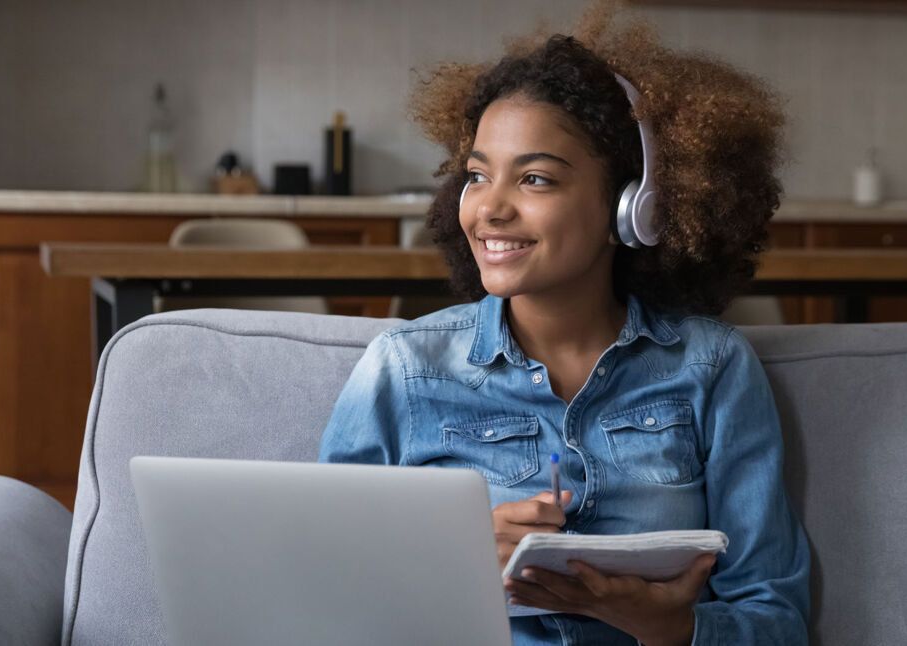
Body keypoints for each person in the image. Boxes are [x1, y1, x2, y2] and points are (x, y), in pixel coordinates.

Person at [317, 2, 810, 644]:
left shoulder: (712, 369)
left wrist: (671, 627)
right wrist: (448, 561)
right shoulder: (403, 368)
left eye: (535, 179)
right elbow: (322, 593)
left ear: (634, 206)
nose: (489, 208)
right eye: (476, 175)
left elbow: (775, 620)